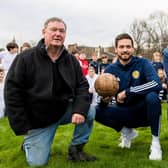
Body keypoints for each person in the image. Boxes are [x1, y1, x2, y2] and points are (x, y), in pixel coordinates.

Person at [4, 17, 96, 166]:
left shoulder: (71, 60)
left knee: (89, 110)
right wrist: (21, 124)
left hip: (62, 110)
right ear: (44, 32)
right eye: (53, 30)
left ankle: (76, 149)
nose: (58, 34)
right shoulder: (25, 58)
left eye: (62, 31)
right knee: (37, 163)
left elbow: (82, 87)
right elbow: (12, 92)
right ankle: (29, 143)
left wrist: (79, 110)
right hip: (38, 119)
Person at [95, 33, 162, 160]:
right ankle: (127, 133)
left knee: (153, 97)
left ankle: (155, 143)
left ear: (132, 48)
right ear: (116, 49)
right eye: (121, 47)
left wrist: (128, 92)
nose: (125, 50)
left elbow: (156, 83)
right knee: (95, 110)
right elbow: (101, 100)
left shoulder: (143, 63)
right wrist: (105, 99)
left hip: (144, 112)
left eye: (128, 46)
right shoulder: (110, 69)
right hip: (125, 112)